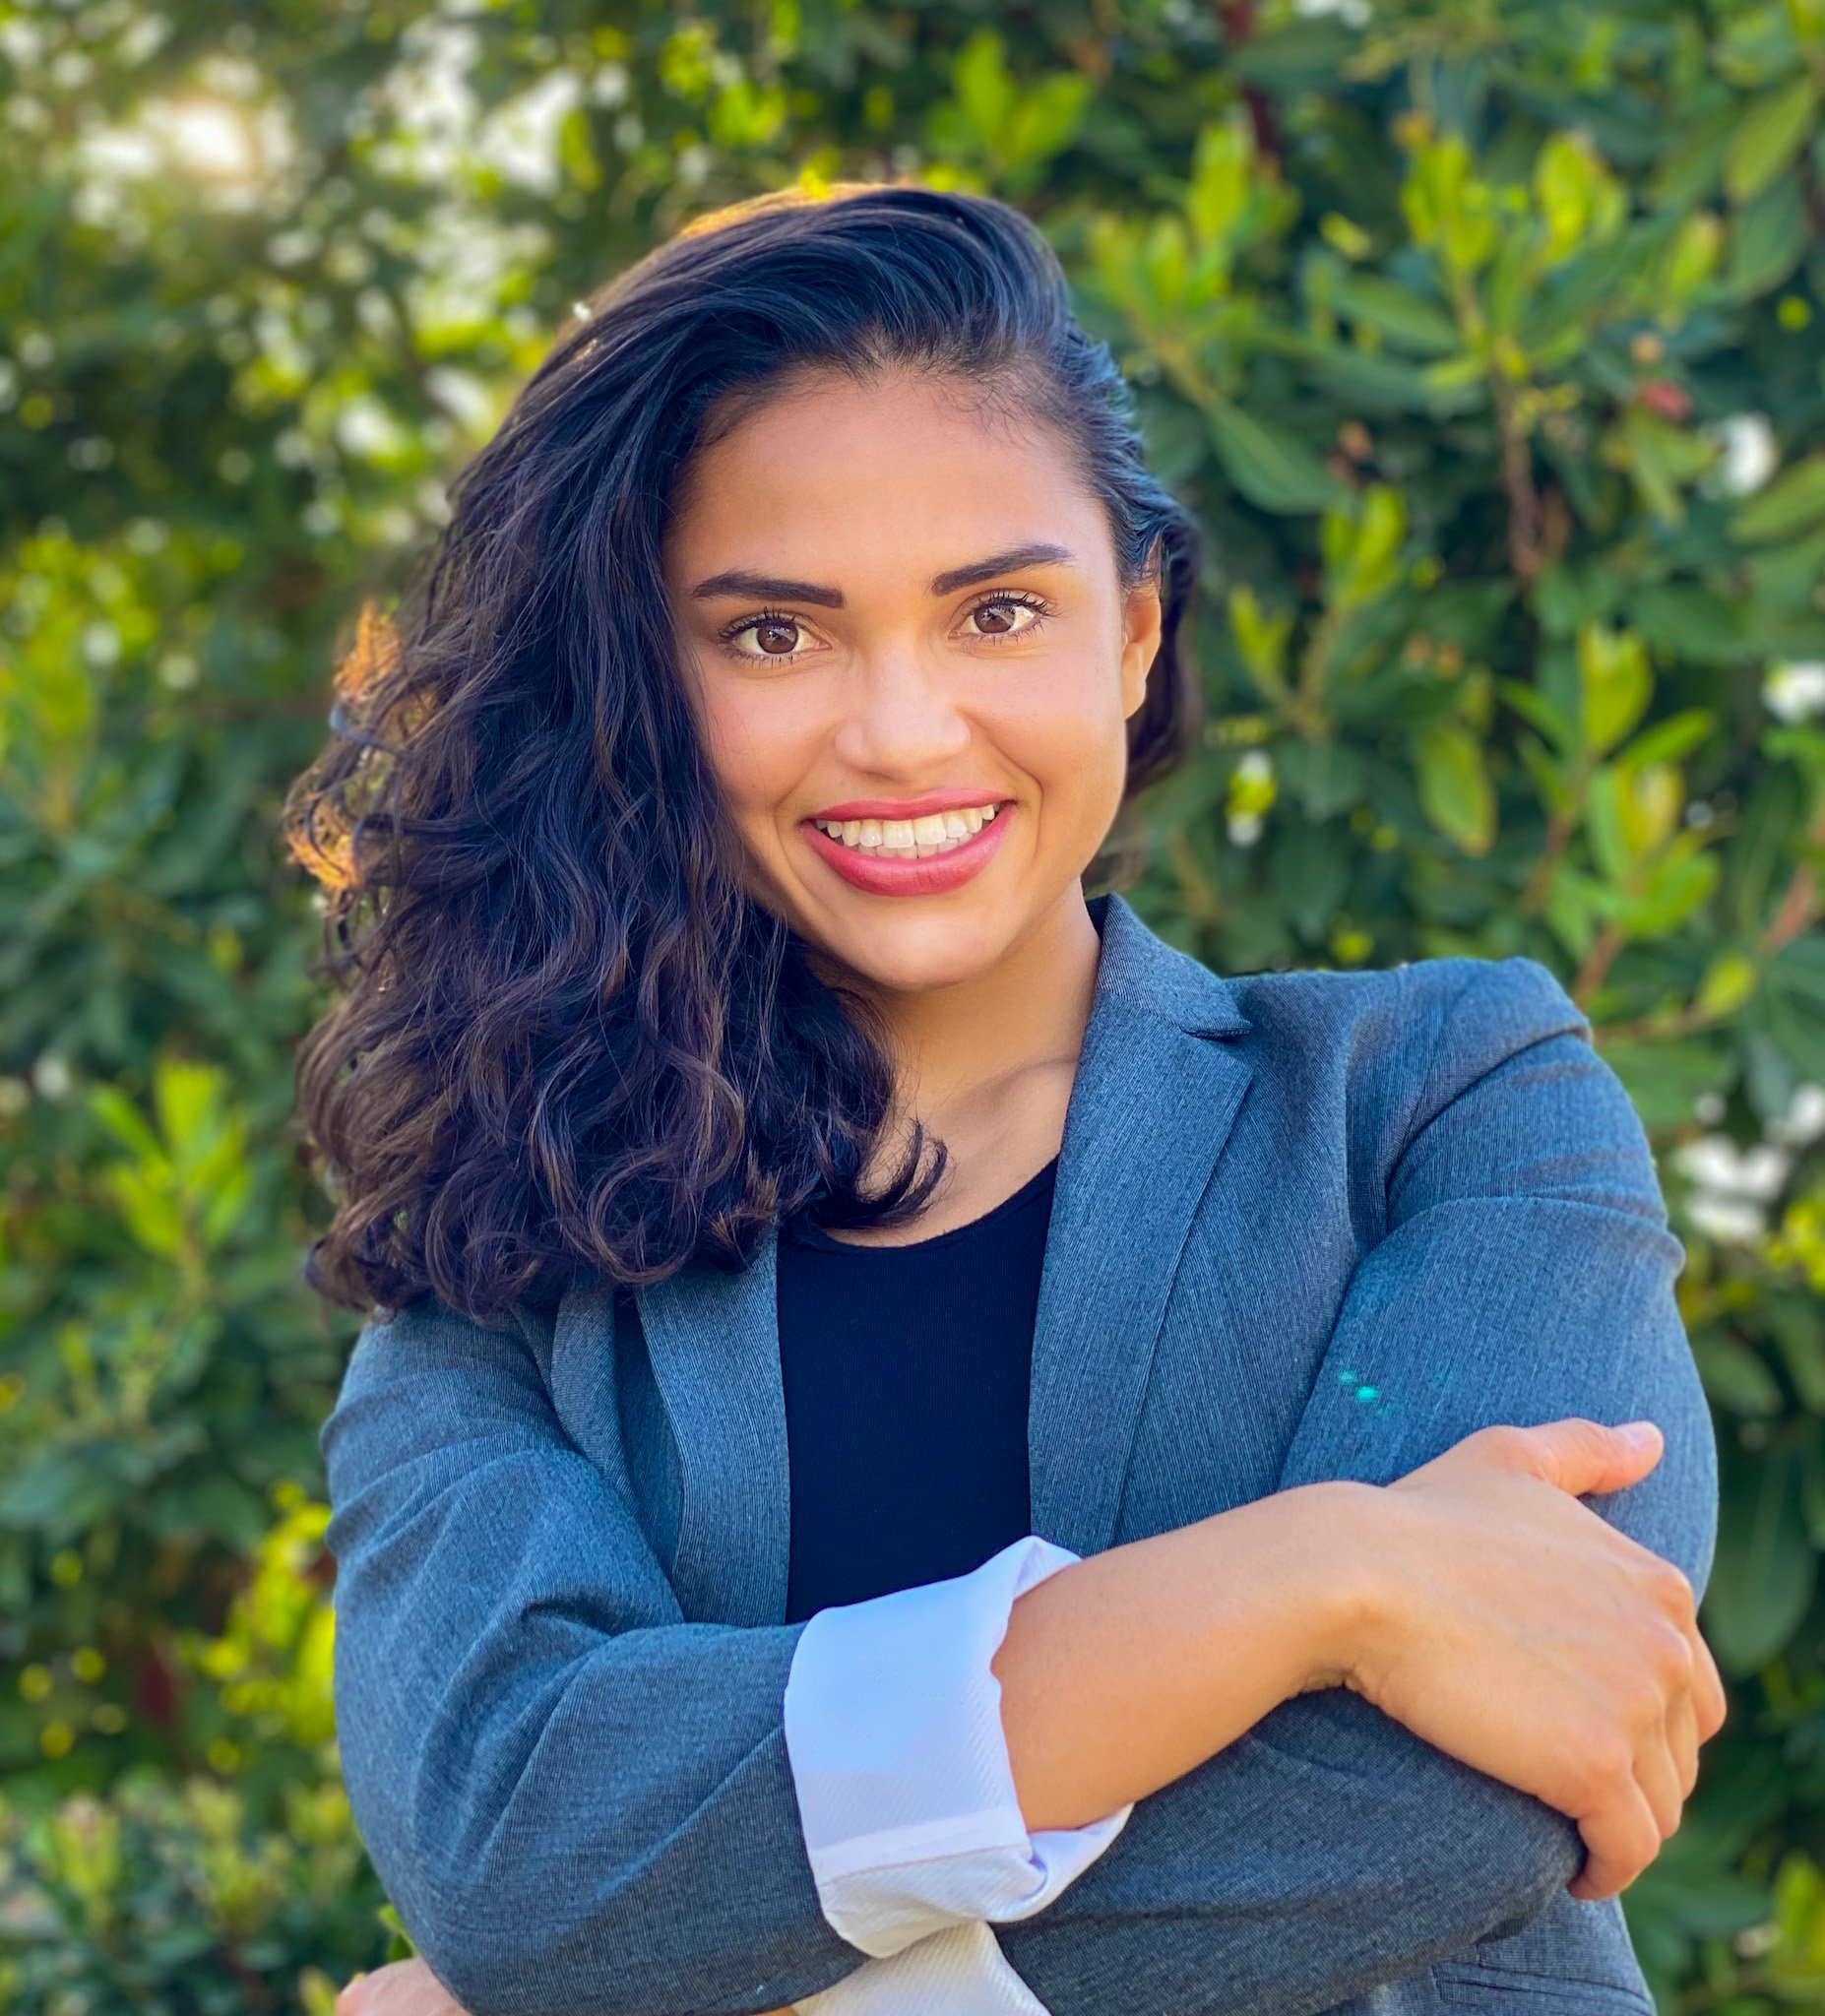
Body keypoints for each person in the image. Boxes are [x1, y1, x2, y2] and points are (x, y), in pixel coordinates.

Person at [289, 183, 1724, 2016]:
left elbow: (1478, 1776)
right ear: (649, 683)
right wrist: (1315, 1575)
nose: (900, 731)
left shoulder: (1443, 1100)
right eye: (772, 636)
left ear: (1132, 633)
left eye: (996, 610)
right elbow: (517, 1859)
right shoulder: (505, 1285)